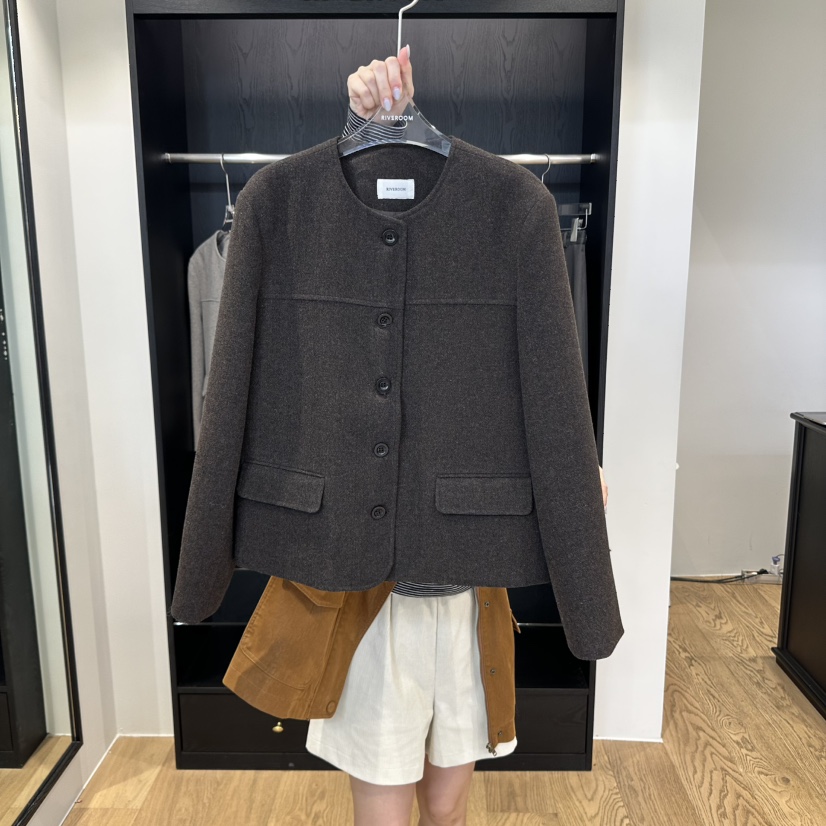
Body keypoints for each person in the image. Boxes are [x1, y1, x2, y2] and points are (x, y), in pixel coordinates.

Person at [320, 48, 610, 826]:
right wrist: (366, 127)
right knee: (383, 805)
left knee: (448, 802)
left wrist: (573, 477)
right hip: (365, 594)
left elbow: (546, 386)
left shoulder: (504, 219)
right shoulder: (331, 234)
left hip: (472, 585)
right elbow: (335, 219)